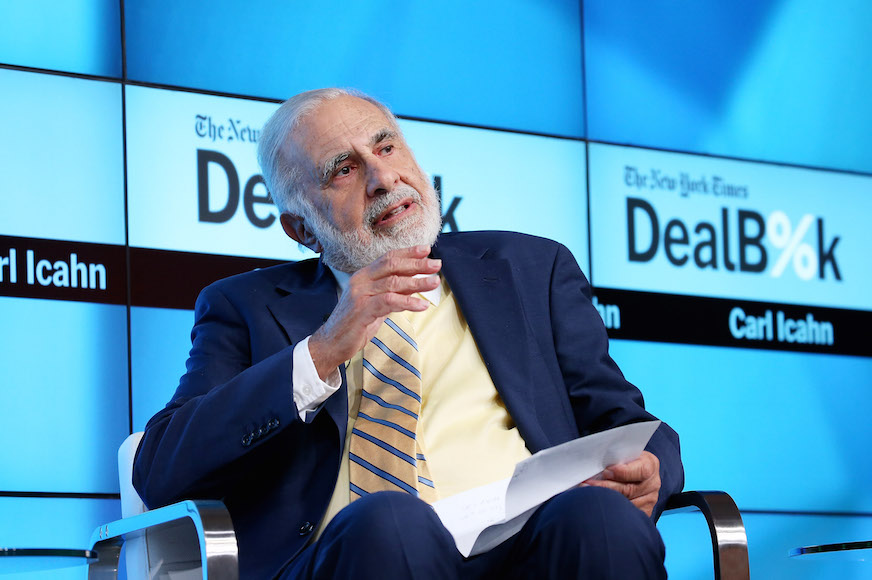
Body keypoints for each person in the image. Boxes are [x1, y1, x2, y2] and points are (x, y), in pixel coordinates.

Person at [133, 88, 684, 579]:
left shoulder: (530, 268)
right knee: (391, 523)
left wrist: (651, 467)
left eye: (387, 147)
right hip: (364, 553)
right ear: (301, 230)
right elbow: (160, 470)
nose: (383, 177)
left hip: (532, 546)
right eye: (343, 169)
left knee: (598, 518)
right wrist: (323, 351)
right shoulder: (244, 306)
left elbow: (627, 422)